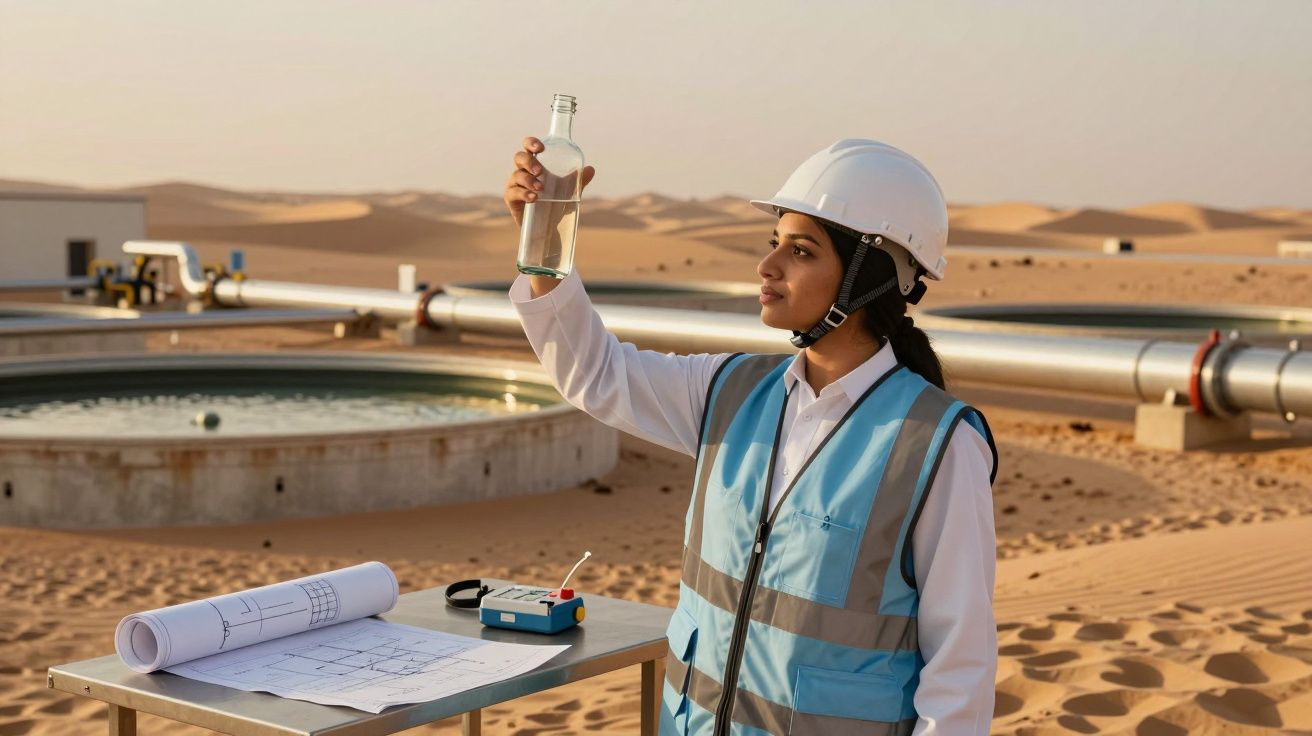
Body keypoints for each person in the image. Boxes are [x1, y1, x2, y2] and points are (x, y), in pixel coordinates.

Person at [503, 138, 999, 736]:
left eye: (801, 250)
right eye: (774, 243)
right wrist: (545, 241)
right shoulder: (727, 390)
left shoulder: (940, 445)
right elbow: (596, 373)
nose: (768, 266)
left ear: (867, 275)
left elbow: (960, 670)